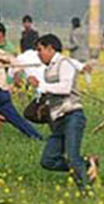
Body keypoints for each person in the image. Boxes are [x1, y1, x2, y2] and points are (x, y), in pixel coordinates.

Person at [27, 34, 98, 189]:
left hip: (72, 116)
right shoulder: (48, 69)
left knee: (72, 158)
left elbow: (65, 88)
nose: (38, 54)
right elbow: (50, 92)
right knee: (48, 161)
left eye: (40, 50)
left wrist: (41, 85)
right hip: (58, 120)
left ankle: (86, 191)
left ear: (50, 48)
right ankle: (86, 165)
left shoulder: (64, 63)